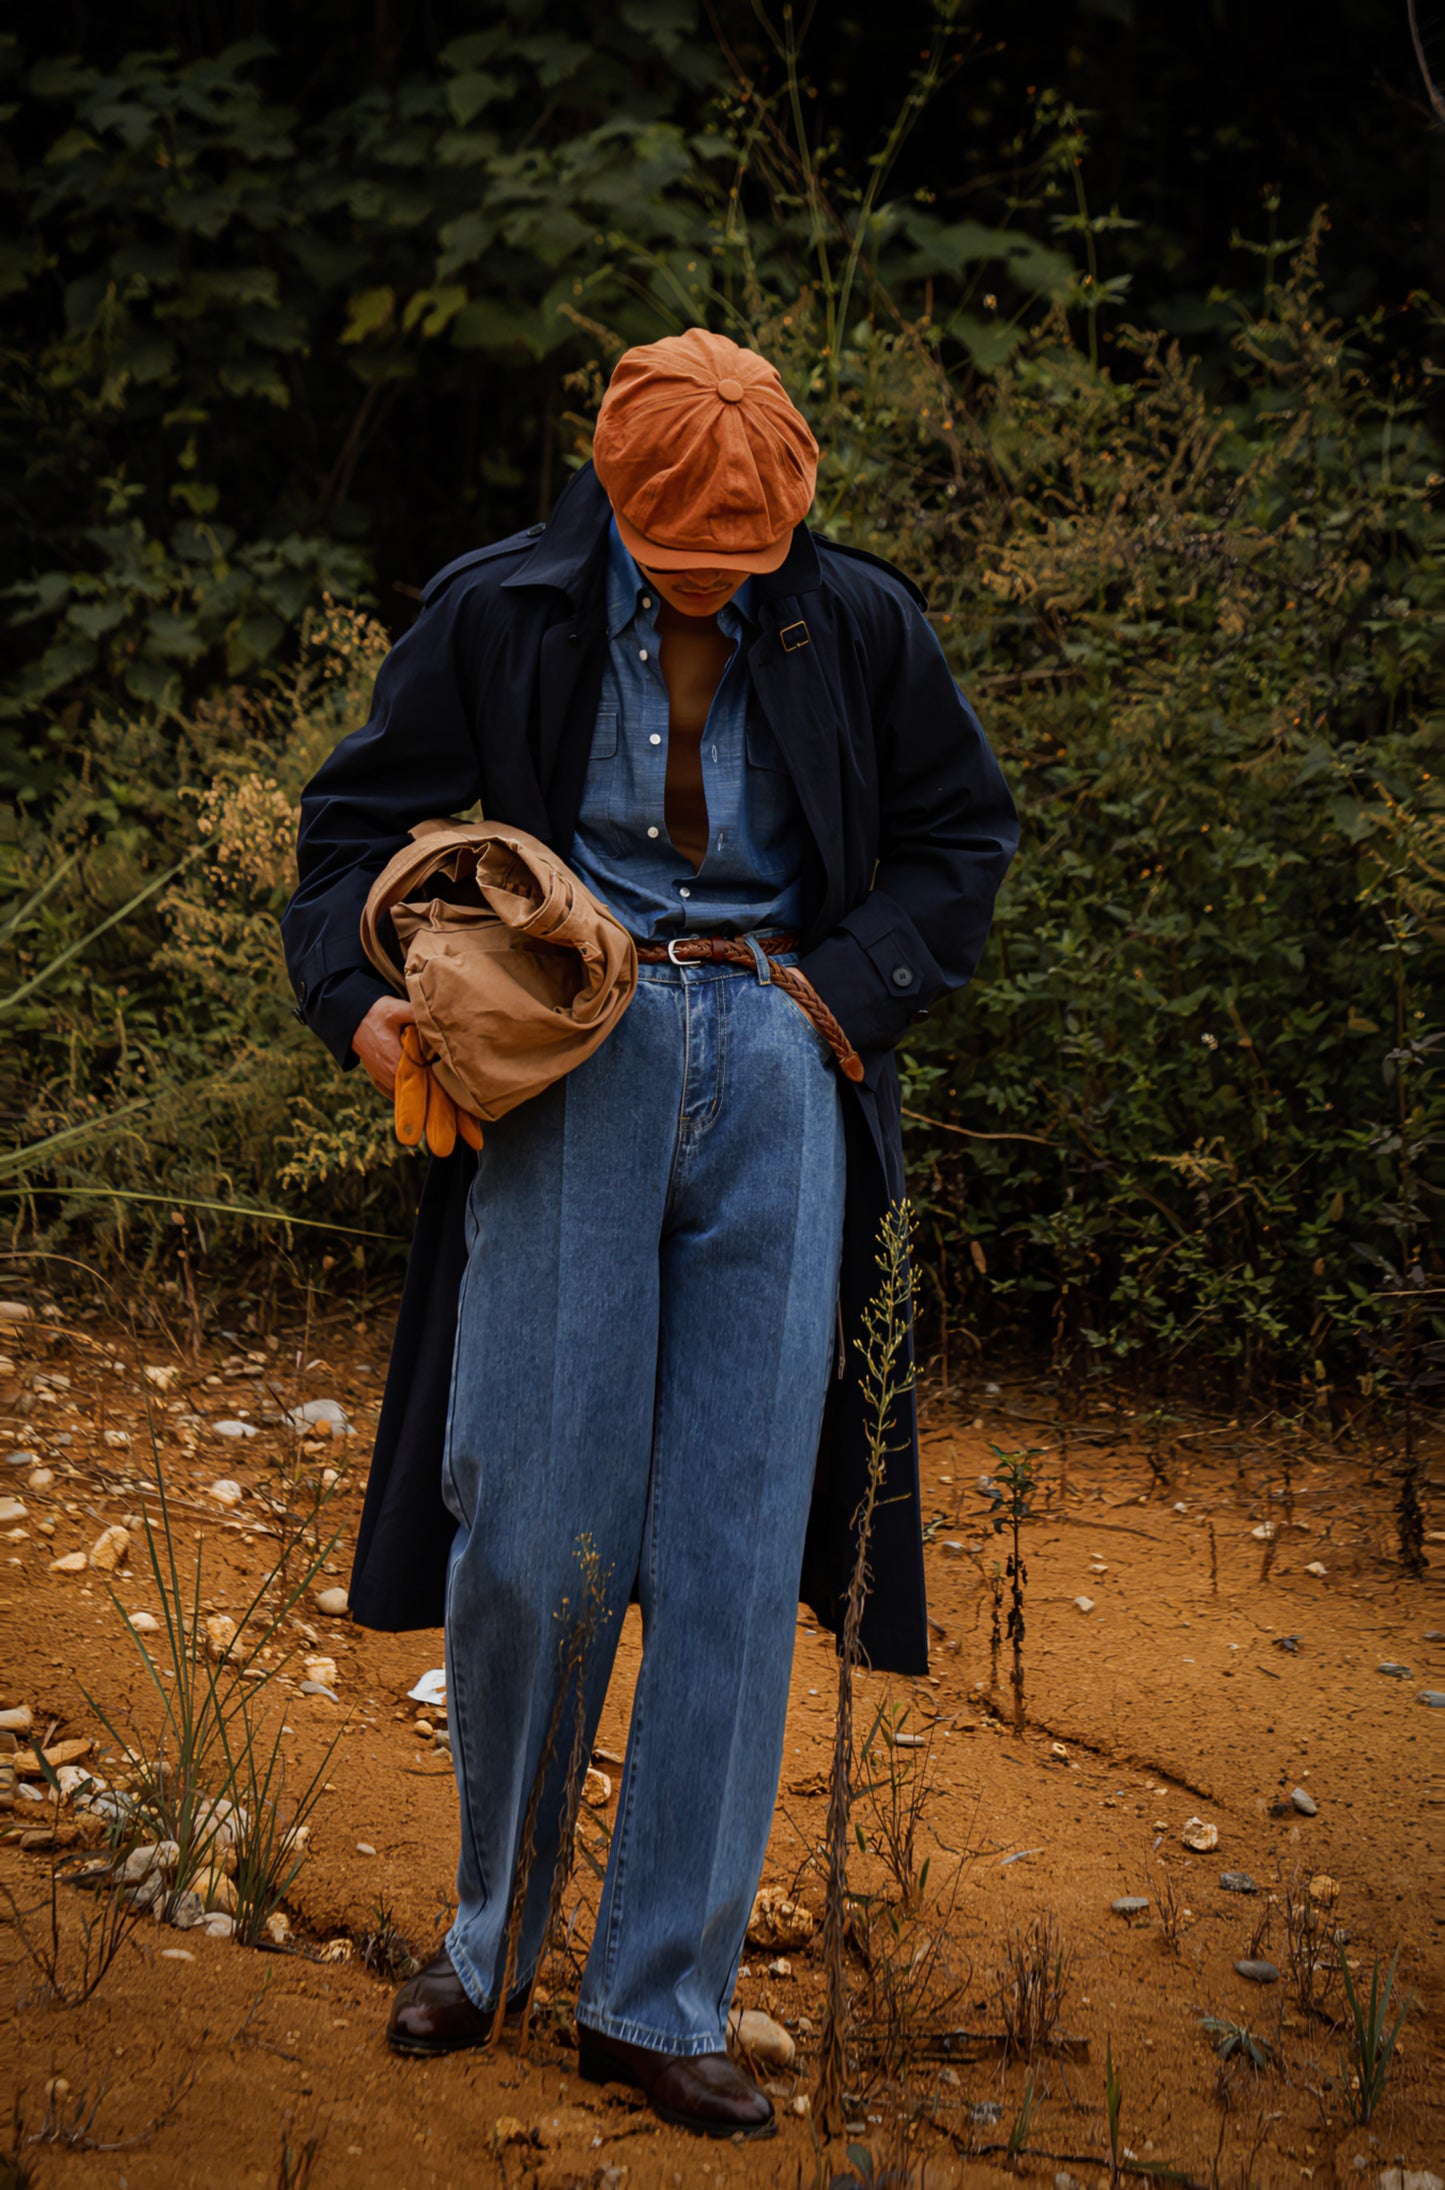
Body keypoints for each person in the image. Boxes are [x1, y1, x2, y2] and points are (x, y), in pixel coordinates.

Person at [280, 327, 1018, 2139]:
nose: (714, 582)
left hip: (779, 1055)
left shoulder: (856, 621)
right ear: (609, 490)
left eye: (746, 555)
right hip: (572, 1067)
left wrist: (835, 1002)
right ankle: (488, 1936)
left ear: (794, 510)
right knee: (537, 1525)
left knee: (732, 1536)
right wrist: (360, 1000)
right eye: (684, 552)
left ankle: (660, 1994)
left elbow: (960, 838)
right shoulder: (496, 610)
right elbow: (346, 828)